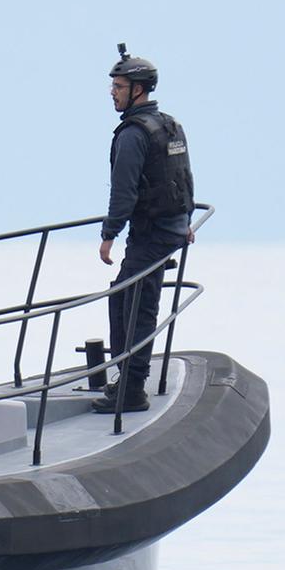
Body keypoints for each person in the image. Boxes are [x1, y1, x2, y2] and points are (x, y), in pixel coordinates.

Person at [95, 49, 195, 414]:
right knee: (127, 297)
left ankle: (132, 389)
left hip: (152, 234)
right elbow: (184, 178)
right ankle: (127, 378)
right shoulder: (168, 125)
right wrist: (184, 223)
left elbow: (123, 191)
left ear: (138, 89)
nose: (112, 92)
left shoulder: (133, 135)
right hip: (169, 230)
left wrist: (109, 235)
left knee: (134, 304)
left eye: (119, 86)